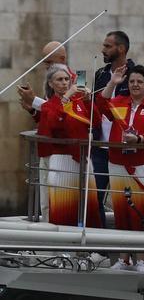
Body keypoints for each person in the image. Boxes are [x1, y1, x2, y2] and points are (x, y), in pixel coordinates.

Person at [99, 64, 144, 272]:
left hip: (143, 165)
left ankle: (141, 260)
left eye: (139, 81)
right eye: (131, 82)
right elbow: (102, 105)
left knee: (142, 212)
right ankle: (123, 258)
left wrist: (138, 138)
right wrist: (113, 82)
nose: (135, 85)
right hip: (118, 163)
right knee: (121, 210)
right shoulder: (119, 101)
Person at [36, 64, 102, 228]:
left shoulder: (78, 101)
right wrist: (66, 98)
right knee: (62, 207)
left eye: (67, 79)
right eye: (59, 80)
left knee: (88, 206)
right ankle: (62, 250)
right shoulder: (48, 105)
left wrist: (88, 101)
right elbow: (51, 123)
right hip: (62, 159)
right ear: (51, 84)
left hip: (83, 157)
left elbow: (97, 121)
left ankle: (86, 248)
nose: (65, 83)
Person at [93, 30, 133, 211]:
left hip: (124, 150)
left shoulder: (137, 74)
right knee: (94, 198)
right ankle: (95, 235)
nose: (103, 50)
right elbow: (96, 106)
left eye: (107, 46)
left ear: (121, 49)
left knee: (127, 201)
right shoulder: (101, 74)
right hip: (99, 147)